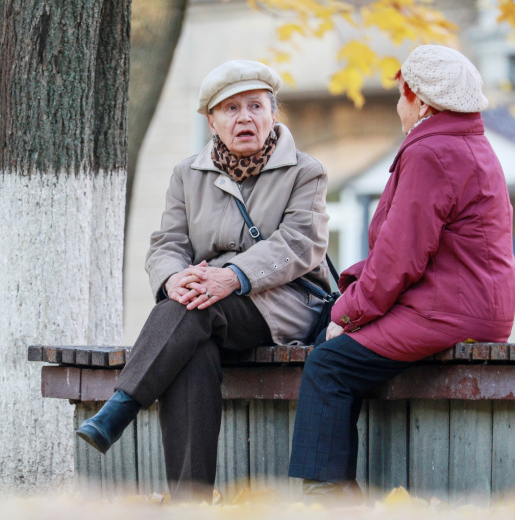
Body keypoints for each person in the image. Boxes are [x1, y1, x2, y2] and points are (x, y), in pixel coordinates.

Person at [76, 60, 332, 502]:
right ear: (211, 120)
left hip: (280, 302)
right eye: (231, 109)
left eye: (256, 106)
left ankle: (121, 407)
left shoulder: (305, 171)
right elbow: (166, 243)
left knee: (195, 309)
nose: (245, 118)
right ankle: (189, 503)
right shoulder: (187, 174)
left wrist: (234, 276)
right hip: (204, 308)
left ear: (274, 114)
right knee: (193, 347)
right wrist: (174, 277)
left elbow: (300, 243)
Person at [288, 45, 515, 502]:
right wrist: (349, 300)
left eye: (400, 95)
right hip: (463, 302)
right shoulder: (467, 142)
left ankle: (327, 501)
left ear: (421, 101)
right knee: (327, 332)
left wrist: (348, 315)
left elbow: (400, 258)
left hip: (448, 309)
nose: (397, 106)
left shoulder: (433, 151)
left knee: (328, 364)